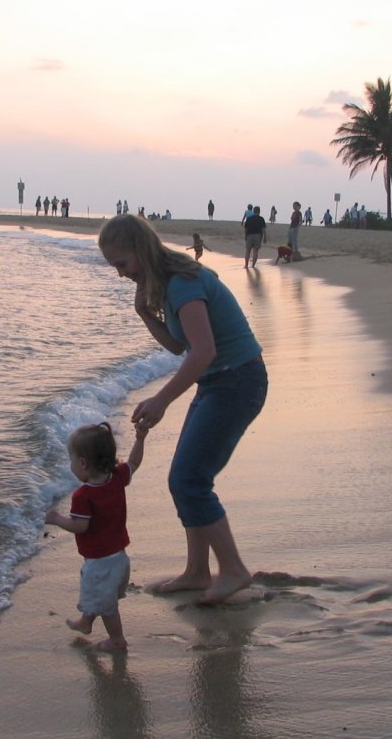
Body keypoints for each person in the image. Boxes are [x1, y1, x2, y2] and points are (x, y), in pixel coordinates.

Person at [98, 215, 268, 605]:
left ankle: (233, 570)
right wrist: (145, 314)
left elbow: (204, 350)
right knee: (185, 478)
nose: (121, 274)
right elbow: (180, 347)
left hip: (238, 381)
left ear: (139, 250)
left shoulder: (182, 281)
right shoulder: (167, 282)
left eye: (122, 264)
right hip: (219, 381)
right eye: (115, 268)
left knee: (189, 480)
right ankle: (196, 572)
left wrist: (162, 400)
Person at [45, 422, 147, 651]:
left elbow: (80, 526)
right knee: (100, 594)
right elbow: (133, 463)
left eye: (71, 460)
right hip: (120, 558)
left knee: (107, 605)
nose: (71, 465)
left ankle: (117, 639)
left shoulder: (84, 495)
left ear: (82, 463)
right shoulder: (117, 477)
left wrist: (56, 519)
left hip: (100, 563)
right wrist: (140, 439)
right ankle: (85, 622)